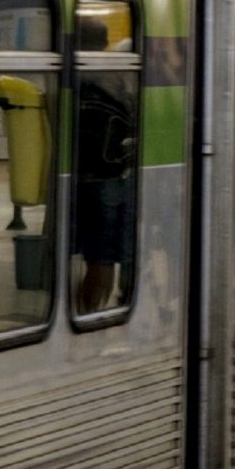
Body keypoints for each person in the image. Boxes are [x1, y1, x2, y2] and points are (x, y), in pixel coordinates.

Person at [74, 16, 137, 313]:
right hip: (110, 176)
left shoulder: (76, 73)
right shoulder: (125, 60)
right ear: (104, 41)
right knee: (104, 259)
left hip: (78, 176)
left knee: (91, 259)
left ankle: (84, 312)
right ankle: (91, 321)